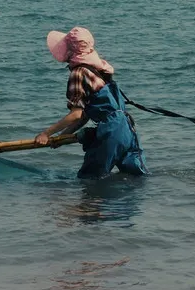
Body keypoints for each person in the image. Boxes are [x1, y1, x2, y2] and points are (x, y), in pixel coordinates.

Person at [34, 27, 147, 179]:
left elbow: (76, 114)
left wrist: (46, 134)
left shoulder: (78, 73)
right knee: (136, 179)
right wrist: (63, 136)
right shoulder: (99, 70)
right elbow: (85, 116)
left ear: (70, 51)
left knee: (89, 180)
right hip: (128, 129)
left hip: (111, 131)